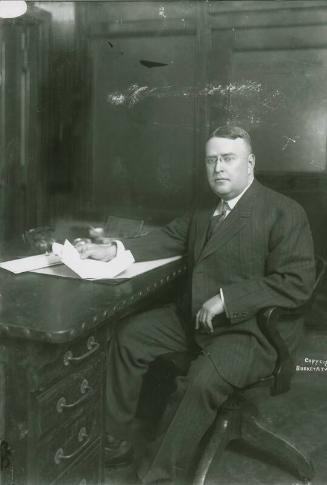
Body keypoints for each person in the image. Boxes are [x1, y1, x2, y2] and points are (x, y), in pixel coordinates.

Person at [78, 126, 316, 484]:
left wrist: (228, 299)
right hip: (198, 320)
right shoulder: (207, 211)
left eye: (228, 159)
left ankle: (154, 477)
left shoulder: (283, 211)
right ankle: (114, 444)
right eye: (211, 160)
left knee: (199, 382)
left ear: (249, 163)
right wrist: (112, 249)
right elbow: (168, 238)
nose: (218, 168)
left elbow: (297, 284)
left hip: (253, 333)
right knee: (130, 337)